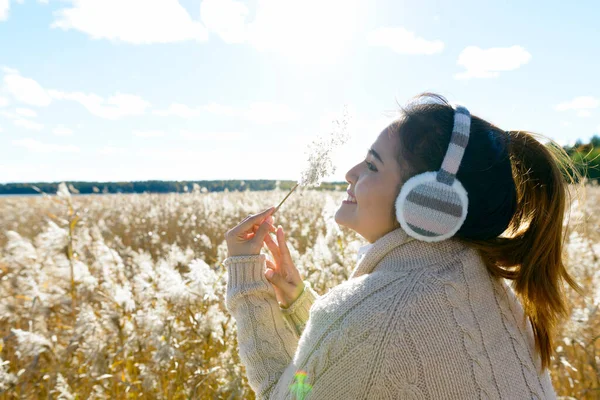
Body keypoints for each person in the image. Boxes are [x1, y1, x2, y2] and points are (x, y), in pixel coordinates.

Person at [223, 93, 583, 399]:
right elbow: (361, 363)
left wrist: (248, 283)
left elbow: (286, 394)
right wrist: (299, 300)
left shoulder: (378, 319)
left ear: (429, 202)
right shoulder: (485, 288)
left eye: (373, 165)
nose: (350, 173)